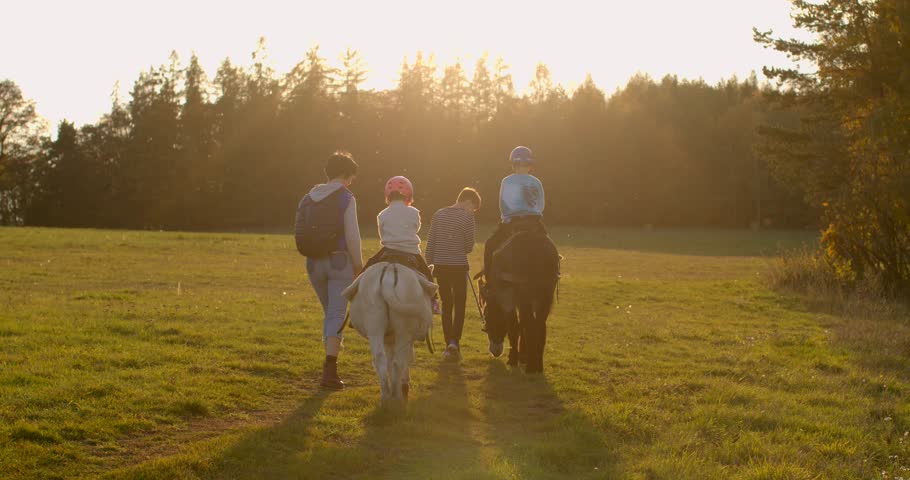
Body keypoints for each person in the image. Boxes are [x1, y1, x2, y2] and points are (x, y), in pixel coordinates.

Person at [301, 151, 363, 390]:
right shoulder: (346, 197)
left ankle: (331, 358)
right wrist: (358, 265)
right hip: (339, 262)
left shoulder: (308, 197)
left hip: (313, 263)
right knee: (336, 315)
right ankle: (330, 371)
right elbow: (352, 235)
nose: (352, 181)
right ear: (346, 175)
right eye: (352, 177)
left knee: (331, 314)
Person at [362, 177, 436, 306]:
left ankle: (357, 301)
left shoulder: (382, 214)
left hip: (387, 250)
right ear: (409, 194)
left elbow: (382, 234)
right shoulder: (414, 212)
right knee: (427, 275)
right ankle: (434, 301)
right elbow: (416, 228)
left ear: (388, 195)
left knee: (365, 271)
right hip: (411, 251)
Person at [425, 187, 480, 360]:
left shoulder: (439, 214)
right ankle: (454, 342)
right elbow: (469, 246)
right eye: (474, 207)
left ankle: (448, 343)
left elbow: (431, 242)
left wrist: (430, 263)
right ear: (468, 201)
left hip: (440, 266)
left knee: (447, 304)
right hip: (458, 266)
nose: (473, 211)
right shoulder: (467, 217)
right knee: (460, 304)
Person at [483, 146, 547, 276]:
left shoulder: (507, 181)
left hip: (512, 221)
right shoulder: (537, 181)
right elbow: (541, 204)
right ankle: (554, 272)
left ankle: (489, 279)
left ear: (513, 165)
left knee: (490, 245)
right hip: (534, 221)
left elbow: (503, 204)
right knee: (548, 246)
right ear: (530, 165)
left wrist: (506, 217)